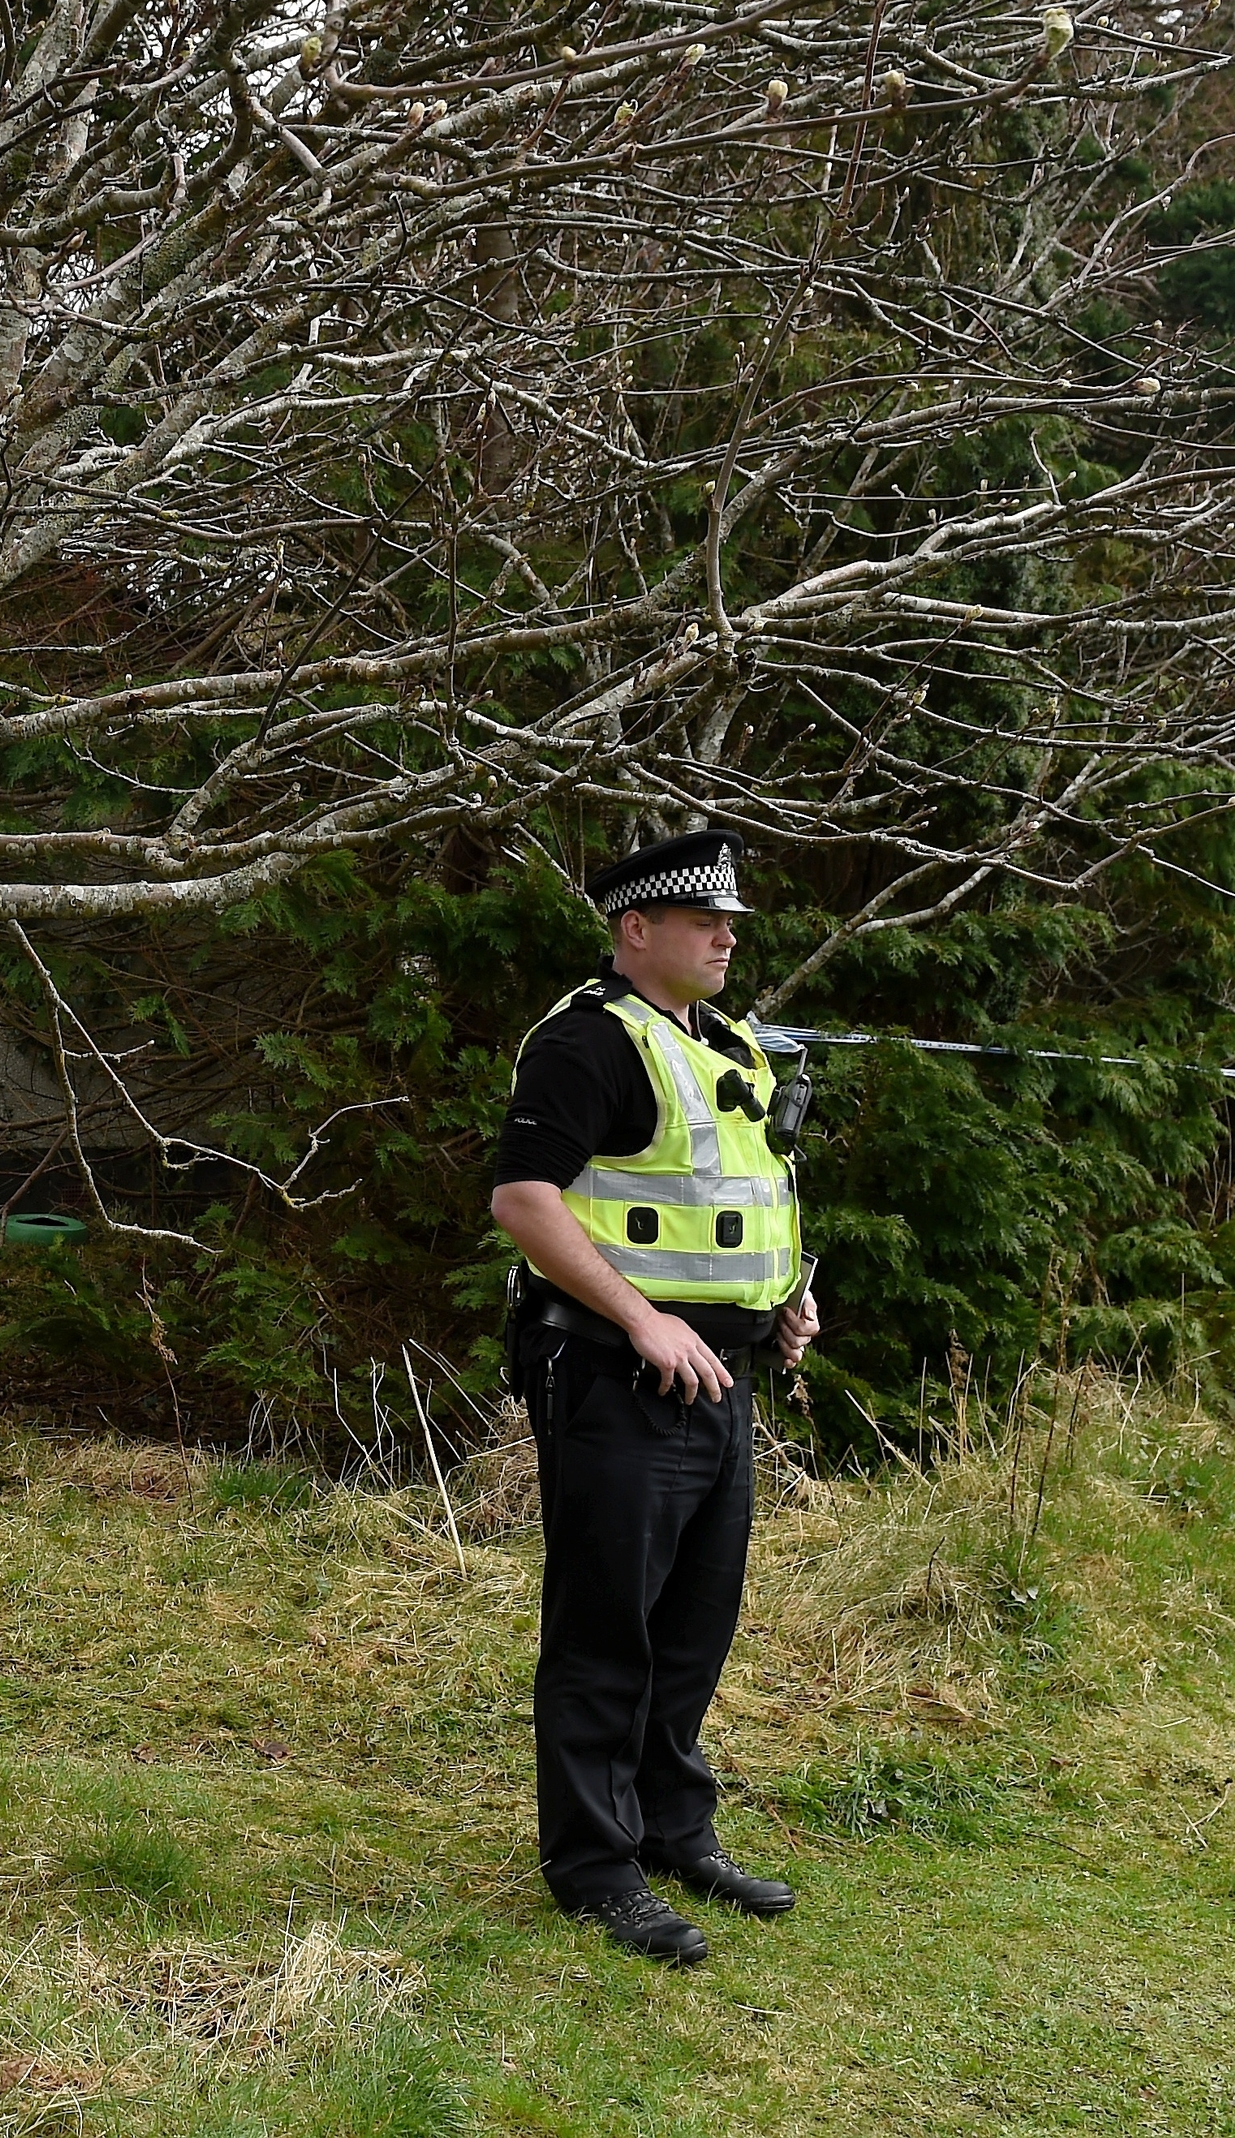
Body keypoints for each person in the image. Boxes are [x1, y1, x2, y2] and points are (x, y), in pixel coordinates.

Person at [488, 827, 821, 1966]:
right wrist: (641, 1317)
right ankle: (592, 1868)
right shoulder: (587, 1044)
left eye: (728, 922)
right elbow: (524, 1202)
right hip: (613, 1375)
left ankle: (675, 1831)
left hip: (721, 1378)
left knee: (692, 1625)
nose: (727, 936)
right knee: (603, 1631)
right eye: (702, 921)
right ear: (637, 931)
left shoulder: (723, 1042)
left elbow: (742, 1192)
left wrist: (782, 1300)